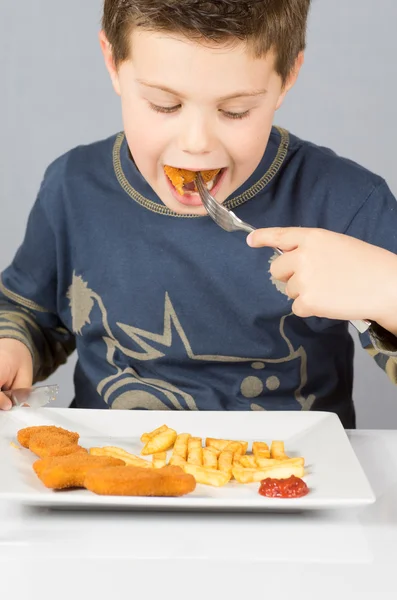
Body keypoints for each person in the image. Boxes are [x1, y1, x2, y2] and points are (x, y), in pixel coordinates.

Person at [1, 0, 396, 428]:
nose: (196, 143)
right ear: (113, 61)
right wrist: (12, 346)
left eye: (235, 111)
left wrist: (388, 289)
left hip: (291, 483)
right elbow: (29, 314)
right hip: (109, 479)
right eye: (164, 105)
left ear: (288, 77)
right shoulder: (73, 187)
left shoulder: (346, 202)